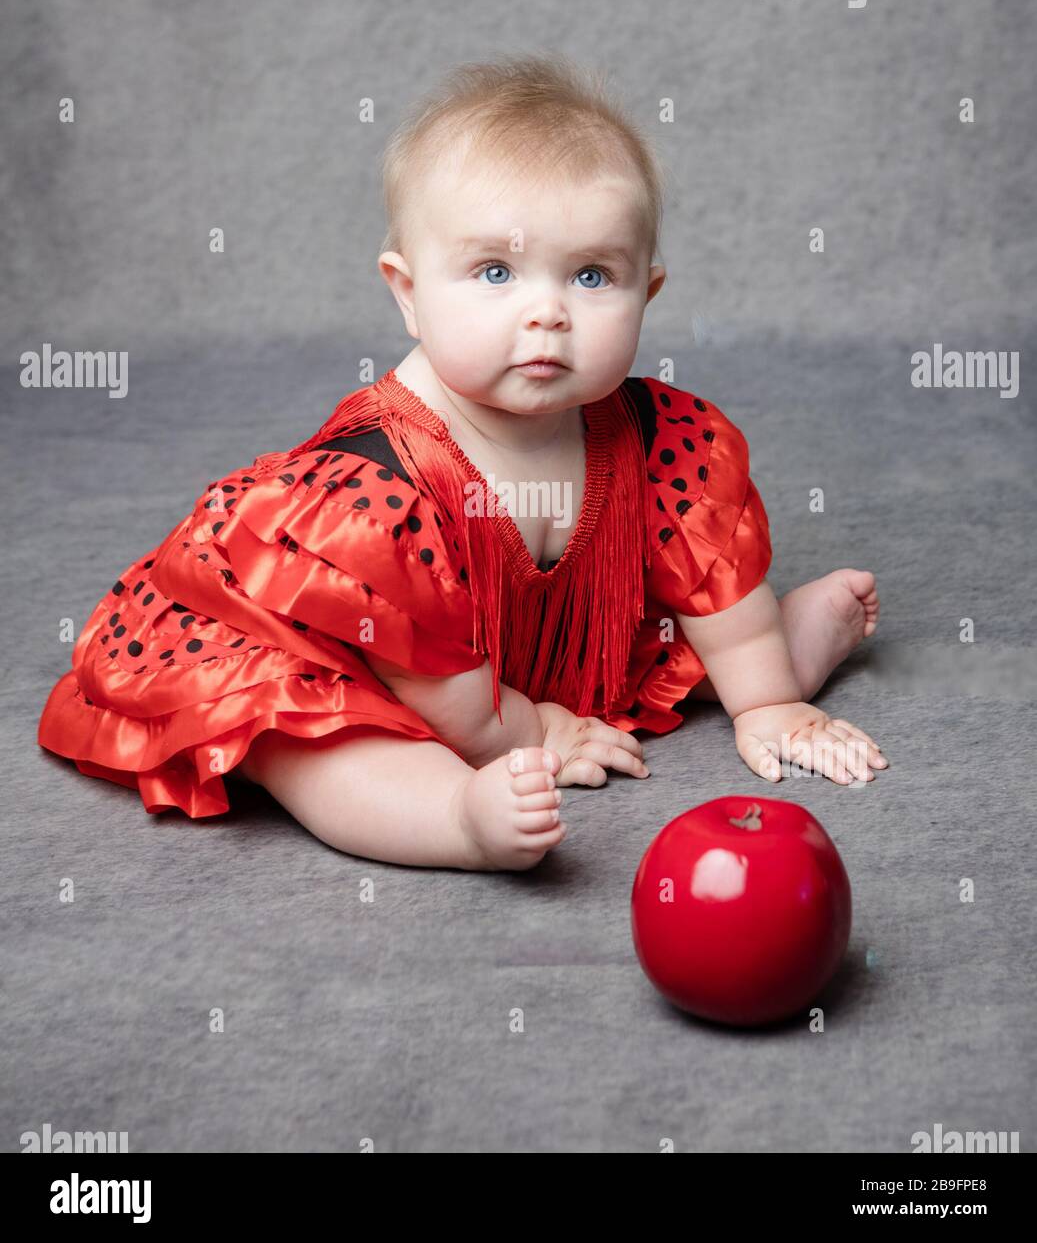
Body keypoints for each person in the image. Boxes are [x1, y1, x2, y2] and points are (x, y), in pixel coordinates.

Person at [37, 53, 888, 872]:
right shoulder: (376, 490)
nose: (546, 313)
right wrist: (531, 735)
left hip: (510, 653)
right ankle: (451, 820)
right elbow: (448, 701)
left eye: (592, 276)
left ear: (647, 293)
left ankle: (780, 669)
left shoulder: (663, 437)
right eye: (494, 271)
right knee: (317, 744)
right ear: (407, 293)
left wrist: (768, 702)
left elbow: (709, 579)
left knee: (675, 631)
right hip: (322, 651)